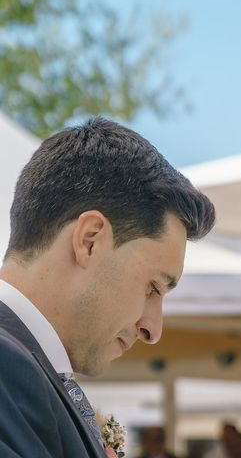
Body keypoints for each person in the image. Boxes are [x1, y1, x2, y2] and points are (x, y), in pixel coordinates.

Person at [0, 118, 216, 457]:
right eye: (152, 288)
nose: (153, 329)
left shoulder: (28, 369)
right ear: (90, 240)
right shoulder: (8, 366)